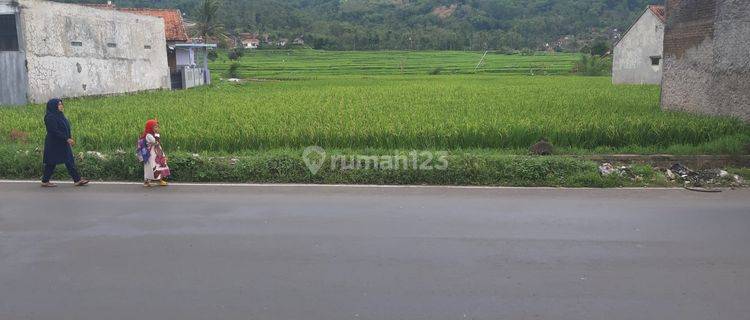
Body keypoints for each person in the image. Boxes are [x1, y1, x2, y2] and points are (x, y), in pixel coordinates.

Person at [41, 99, 89, 187]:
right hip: (54, 143)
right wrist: (66, 138)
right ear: (53, 106)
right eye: (59, 104)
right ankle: (45, 181)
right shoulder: (50, 117)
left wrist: (68, 138)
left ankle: (77, 180)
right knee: (51, 162)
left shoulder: (60, 115)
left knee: (69, 160)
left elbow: (65, 127)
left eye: (61, 104)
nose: (61, 106)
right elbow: (53, 131)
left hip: (62, 142)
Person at [141, 119, 171, 187]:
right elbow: (156, 142)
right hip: (152, 155)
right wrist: (157, 134)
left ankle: (160, 180)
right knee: (151, 167)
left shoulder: (152, 134)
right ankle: (146, 181)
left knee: (160, 165)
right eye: (155, 127)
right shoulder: (148, 135)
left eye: (157, 127)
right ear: (150, 127)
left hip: (157, 153)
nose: (157, 128)